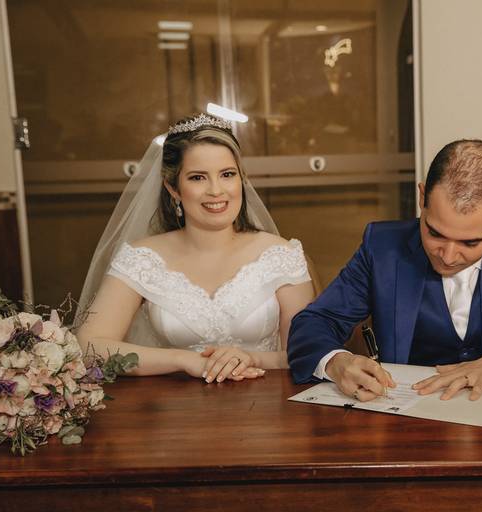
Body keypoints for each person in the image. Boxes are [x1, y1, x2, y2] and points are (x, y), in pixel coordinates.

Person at [287, 139, 482, 401]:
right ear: (422, 197)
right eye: (435, 233)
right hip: (411, 413)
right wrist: (336, 362)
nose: (448, 256)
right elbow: (314, 322)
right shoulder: (383, 248)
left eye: (470, 242)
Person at [76, 113, 314, 383]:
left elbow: (308, 354)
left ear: (242, 179)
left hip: (266, 401)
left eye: (227, 174)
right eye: (198, 178)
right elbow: (89, 347)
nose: (216, 190)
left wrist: (251, 358)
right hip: (174, 404)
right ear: (173, 188)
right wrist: (183, 360)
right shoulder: (141, 258)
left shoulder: (280, 256)